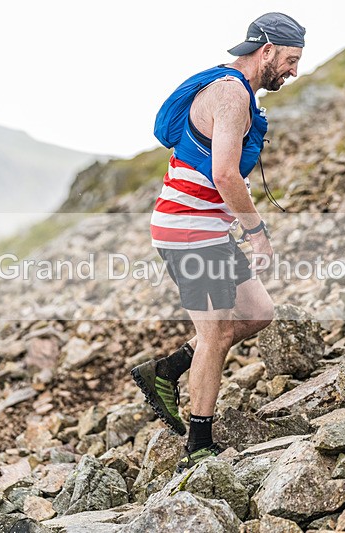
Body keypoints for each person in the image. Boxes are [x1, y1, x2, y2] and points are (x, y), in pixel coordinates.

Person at [131, 12, 305, 471]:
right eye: (289, 60)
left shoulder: (238, 92)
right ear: (266, 51)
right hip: (188, 229)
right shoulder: (230, 94)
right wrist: (256, 233)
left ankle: (166, 370)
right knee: (217, 332)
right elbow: (225, 173)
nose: (293, 70)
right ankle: (199, 446)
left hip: (207, 227)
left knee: (257, 313)